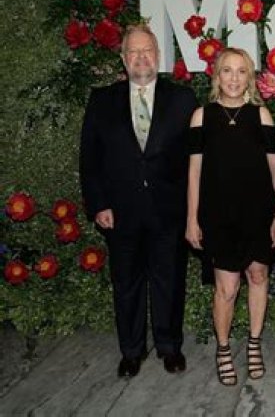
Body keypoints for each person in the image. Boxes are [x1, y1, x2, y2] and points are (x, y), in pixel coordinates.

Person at [79, 24, 198, 378]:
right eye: (134, 51)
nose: (141, 57)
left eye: (147, 50)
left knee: (169, 282)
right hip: (120, 213)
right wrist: (99, 204)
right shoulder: (102, 100)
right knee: (126, 284)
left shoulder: (183, 99)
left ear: (158, 56)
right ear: (123, 58)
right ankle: (131, 351)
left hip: (169, 211)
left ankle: (169, 347)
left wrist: (193, 210)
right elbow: (90, 158)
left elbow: (196, 159)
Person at [185, 48, 275, 386]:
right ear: (217, 76)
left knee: (258, 275)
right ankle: (224, 348)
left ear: (250, 78)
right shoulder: (202, 116)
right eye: (227, 70)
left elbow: (274, 170)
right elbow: (194, 172)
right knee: (226, 288)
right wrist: (191, 219)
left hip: (259, 213)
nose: (233, 77)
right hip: (218, 216)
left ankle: (254, 343)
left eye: (241, 71)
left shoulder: (262, 115)